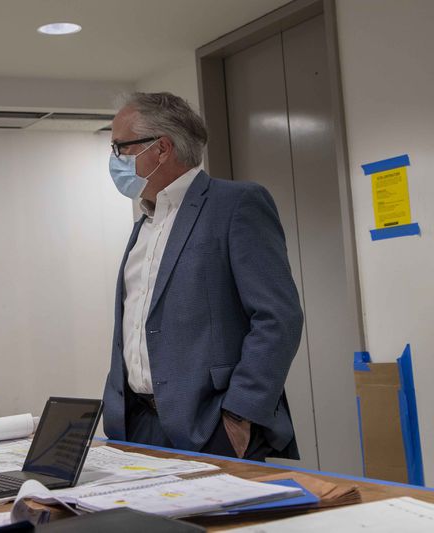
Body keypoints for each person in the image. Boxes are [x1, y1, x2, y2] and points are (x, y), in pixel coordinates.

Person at [102, 92, 303, 461]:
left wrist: (238, 416)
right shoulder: (145, 221)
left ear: (161, 149)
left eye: (120, 148)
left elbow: (279, 318)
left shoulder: (236, 205)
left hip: (210, 427)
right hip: (136, 427)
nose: (114, 160)